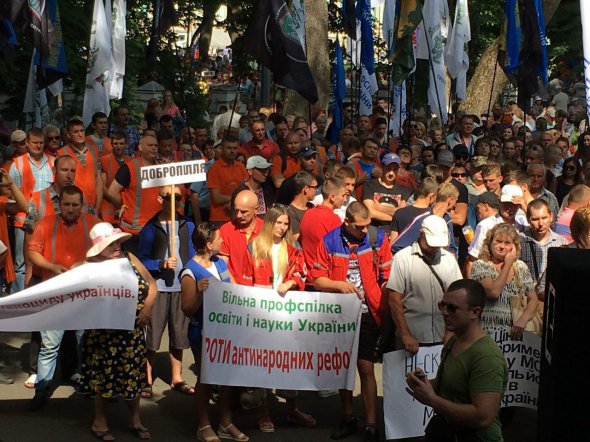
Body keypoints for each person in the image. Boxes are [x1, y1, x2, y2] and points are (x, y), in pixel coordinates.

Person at [312, 202, 392, 442]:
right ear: (346, 222)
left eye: (367, 226)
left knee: (366, 367)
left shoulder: (378, 239)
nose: (365, 231)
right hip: (339, 313)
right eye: (360, 227)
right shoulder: (328, 241)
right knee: (342, 368)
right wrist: (339, 285)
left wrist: (385, 303)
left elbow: (387, 277)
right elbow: (316, 279)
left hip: (369, 312)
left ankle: (371, 423)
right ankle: (348, 417)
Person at [79, 222, 158, 441]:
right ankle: (100, 420)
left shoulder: (130, 258)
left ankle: (135, 419)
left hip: (131, 332)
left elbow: (152, 285)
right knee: (102, 376)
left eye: (116, 242)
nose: (116, 246)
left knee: (133, 375)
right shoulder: (90, 266)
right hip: (103, 333)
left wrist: (148, 308)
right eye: (110, 244)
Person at [242, 205, 315, 432]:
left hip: (286, 313)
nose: (283, 228)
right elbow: (245, 280)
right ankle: (263, 412)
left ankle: (292, 409)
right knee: (263, 362)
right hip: (262, 313)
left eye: (286, 224)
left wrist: (291, 282)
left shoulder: (292, 247)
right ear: (269, 224)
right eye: (279, 223)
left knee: (289, 361)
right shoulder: (254, 246)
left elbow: (303, 271)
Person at [405, 279, 507, 442]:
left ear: (475, 312)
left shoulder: (487, 357)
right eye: (442, 305)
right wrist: (424, 383)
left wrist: (432, 399)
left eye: (452, 308)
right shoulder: (454, 341)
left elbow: (483, 417)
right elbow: (452, 387)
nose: (445, 312)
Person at [26, 185, 100, 411]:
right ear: (60, 205)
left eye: (75, 205)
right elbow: (32, 252)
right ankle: (42, 389)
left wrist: (84, 266)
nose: (70, 209)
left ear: (82, 205)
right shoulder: (46, 223)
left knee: (84, 342)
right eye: (66, 204)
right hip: (53, 293)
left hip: (83, 294)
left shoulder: (94, 224)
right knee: (49, 346)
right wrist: (51, 267)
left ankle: (87, 384)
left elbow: (108, 251)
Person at [180, 223, 249, 442]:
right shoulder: (190, 272)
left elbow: (234, 289)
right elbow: (187, 308)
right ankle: (203, 424)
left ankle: (225, 422)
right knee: (206, 378)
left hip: (225, 330)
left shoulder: (219, 262)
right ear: (209, 244)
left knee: (226, 376)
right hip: (202, 332)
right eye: (219, 239)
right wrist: (199, 294)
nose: (222, 242)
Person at [138, 186, 195, 398]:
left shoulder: (187, 224)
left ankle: (177, 377)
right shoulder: (151, 228)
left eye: (178, 197)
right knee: (152, 335)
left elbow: (193, 253)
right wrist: (160, 263)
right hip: (159, 288)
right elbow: (141, 260)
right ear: (159, 198)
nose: (174, 201)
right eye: (169, 197)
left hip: (181, 287)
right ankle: (147, 378)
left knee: (179, 334)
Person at [387, 215, 463, 354]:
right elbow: (394, 300)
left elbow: (457, 298)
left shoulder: (449, 260)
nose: (435, 248)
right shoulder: (403, 258)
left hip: (442, 336)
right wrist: (405, 335)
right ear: (421, 234)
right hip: (412, 337)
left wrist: (450, 333)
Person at [469, 223, 539, 338]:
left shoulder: (521, 267)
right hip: (489, 334)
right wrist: (508, 264)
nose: (502, 246)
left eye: (507, 243)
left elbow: (533, 299)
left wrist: (523, 320)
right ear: (490, 243)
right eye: (498, 241)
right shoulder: (481, 265)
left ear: (514, 246)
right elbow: (494, 292)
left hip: (516, 335)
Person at [8, 127, 55, 293]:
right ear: (27, 143)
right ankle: (20, 299)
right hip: (24, 220)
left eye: (41, 143)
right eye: (35, 143)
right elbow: (11, 195)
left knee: (45, 258)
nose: (38, 146)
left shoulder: (53, 161)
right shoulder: (17, 164)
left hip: (48, 219)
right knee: (21, 263)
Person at [108, 135, 163, 254]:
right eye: (150, 145)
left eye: (156, 146)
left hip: (155, 229)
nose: (154, 148)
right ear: (140, 148)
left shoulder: (161, 168)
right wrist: (125, 204)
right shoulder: (129, 168)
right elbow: (112, 192)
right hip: (134, 232)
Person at [519, 199, 568, 297]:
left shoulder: (561, 243)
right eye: (535, 219)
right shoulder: (519, 241)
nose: (541, 223)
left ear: (551, 217)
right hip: (525, 298)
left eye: (544, 218)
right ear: (528, 220)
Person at [299, 178, 347, 272]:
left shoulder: (308, 213)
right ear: (332, 197)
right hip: (323, 276)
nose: (345, 199)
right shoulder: (334, 220)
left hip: (307, 275)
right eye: (343, 195)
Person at [58, 119, 103, 215]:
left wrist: (98, 207)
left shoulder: (93, 150)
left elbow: (98, 179)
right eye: (76, 132)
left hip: (93, 206)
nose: (80, 134)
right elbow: (61, 184)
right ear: (69, 135)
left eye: (82, 131)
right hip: (75, 207)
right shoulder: (61, 153)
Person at [218, 190, 263, 284]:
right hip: (234, 291)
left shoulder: (266, 230)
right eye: (236, 210)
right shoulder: (226, 230)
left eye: (243, 212)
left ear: (256, 209)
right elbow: (221, 265)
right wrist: (231, 284)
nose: (238, 215)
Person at [362, 153, 411, 231]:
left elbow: (402, 214)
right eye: (388, 168)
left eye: (394, 169)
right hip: (373, 230)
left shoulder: (404, 190)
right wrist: (394, 217)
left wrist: (379, 208)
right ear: (382, 167)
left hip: (394, 231)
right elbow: (370, 212)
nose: (391, 173)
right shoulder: (369, 186)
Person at [207, 136, 248, 226]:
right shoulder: (214, 169)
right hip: (219, 218)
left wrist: (234, 201)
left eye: (235, 148)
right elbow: (216, 198)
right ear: (222, 149)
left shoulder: (240, 166)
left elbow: (247, 189)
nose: (232, 151)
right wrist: (235, 199)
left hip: (239, 215)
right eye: (229, 148)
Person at [99, 132, 132, 225]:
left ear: (126, 144)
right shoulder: (104, 160)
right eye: (115, 143)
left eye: (121, 143)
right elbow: (102, 187)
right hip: (109, 209)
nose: (118, 146)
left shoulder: (131, 161)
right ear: (111, 144)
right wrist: (119, 203)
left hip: (128, 208)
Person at [287, 170, 318, 241]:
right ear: (306, 189)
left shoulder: (311, 206)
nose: (316, 190)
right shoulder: (290, 212)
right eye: (314, 187)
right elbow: (297, 239)